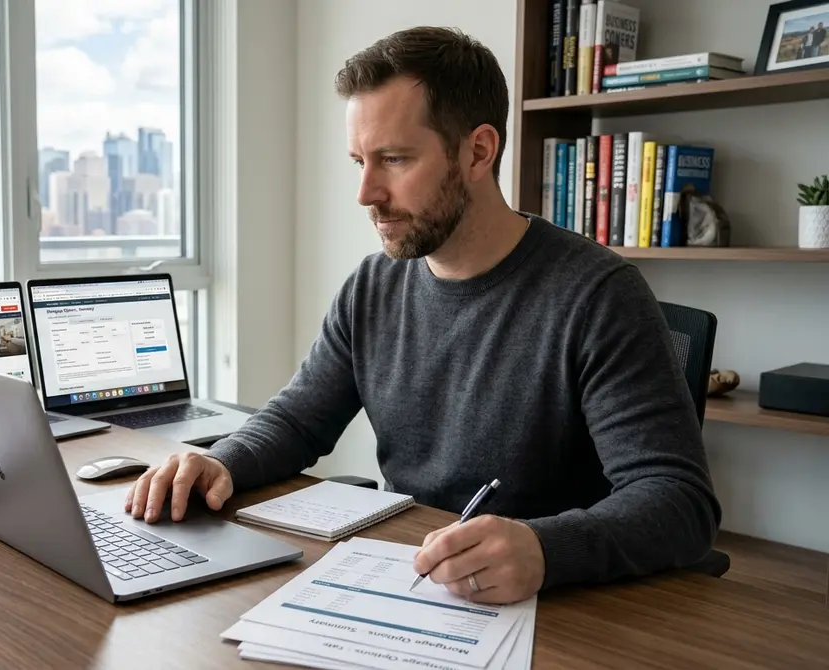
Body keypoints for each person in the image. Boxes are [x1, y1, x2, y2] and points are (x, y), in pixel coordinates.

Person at [123, 26, 721, 605]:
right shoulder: (373, 286)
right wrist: (218, 460)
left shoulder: (598, 295)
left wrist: (546, 547)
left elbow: (678, 501)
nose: (366, 192)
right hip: (413, 586)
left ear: (478, 151)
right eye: (359, 160)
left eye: (394, 159)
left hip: (557, 612)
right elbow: (298, 420)